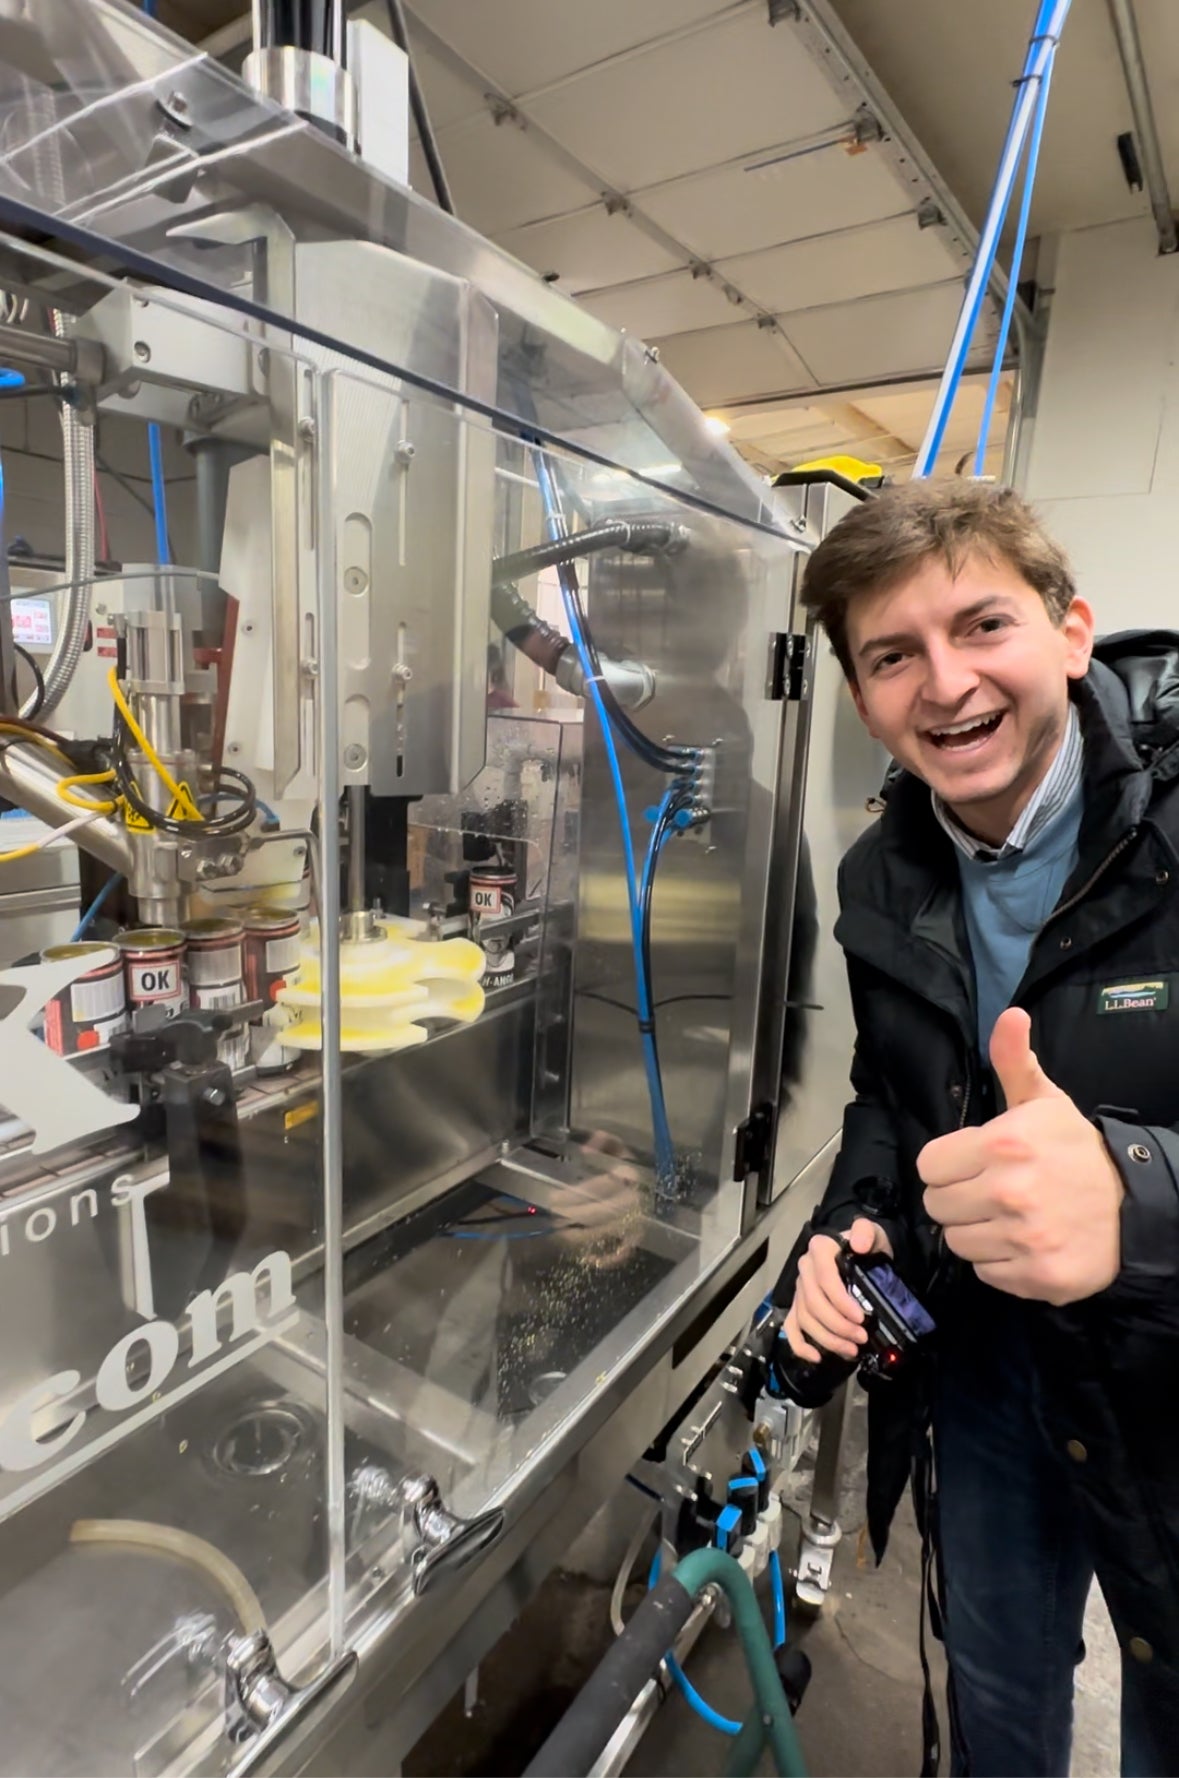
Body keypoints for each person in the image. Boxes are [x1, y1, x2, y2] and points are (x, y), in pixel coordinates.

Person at [775, 480, 1179, 1777]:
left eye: (982, 626)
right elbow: (896, 1099)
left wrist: (1137, 1195)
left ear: (1070, 628)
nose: (944, 684)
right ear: (861, 696)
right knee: (1002, 1693)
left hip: (1169, 1368)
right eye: (894, 654)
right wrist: (848, 1234)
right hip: (989, 1368)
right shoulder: (881, 871)